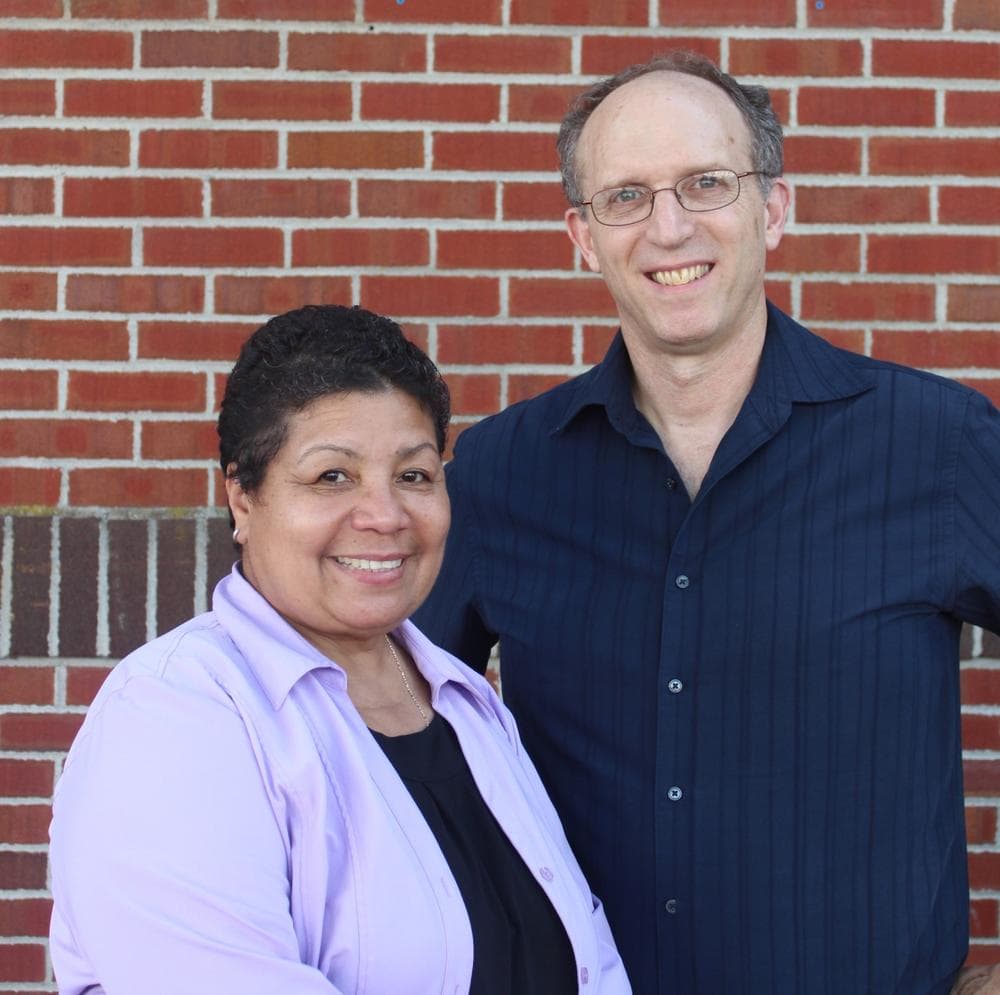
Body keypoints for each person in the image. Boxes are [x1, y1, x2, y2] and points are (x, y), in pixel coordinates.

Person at [413, 51, 1000, 995]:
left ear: (773, 208)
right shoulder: (501, 473)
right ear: (581, 236)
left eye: (706, 183)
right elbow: (370, 733)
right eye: (627, 197)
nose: (668, 226)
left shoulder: (935, 445)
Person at [48, 304, 631, 995]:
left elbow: (591, 963)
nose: (385, 514)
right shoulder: (178, 715)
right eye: (332, 477)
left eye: (413, 475)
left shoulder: (467, 706)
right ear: (242, 495)